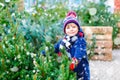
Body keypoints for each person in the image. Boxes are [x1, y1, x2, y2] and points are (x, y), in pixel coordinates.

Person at [54, 11, 90, 80]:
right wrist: (45, 52)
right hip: (68, 69)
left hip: (81, 69)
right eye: (68, 27)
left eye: (74, 27)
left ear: (78, 28)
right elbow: (55, 48)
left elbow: (79, 50)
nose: (71, 29)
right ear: (65, 30)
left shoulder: (80, 40)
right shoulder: (63, 41)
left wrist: (75, 60)